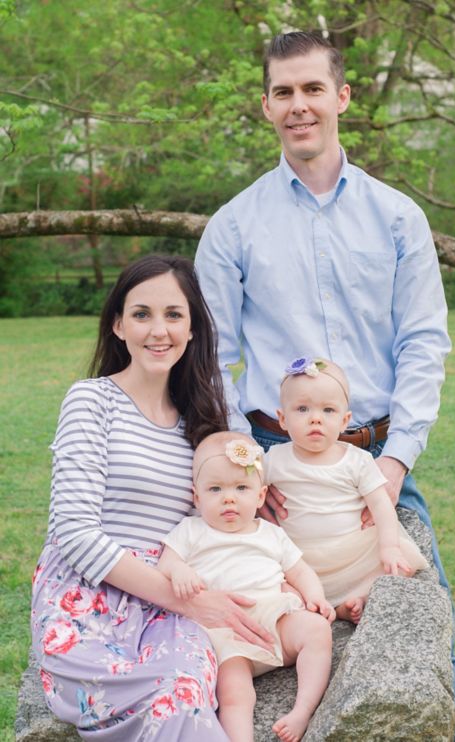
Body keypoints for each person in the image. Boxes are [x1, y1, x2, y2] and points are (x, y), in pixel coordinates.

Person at [194, 30, 455, 742]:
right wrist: (248, 467)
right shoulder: (233, 227)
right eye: (284, 92)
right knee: (264, 636)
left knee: (423, 633)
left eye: (313, 89)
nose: (299, 105)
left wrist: (393, 463)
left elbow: (422, 342)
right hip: (271, 466)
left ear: (341, 97)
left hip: (377, 460)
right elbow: (214, 355)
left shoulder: (397, 218)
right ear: (266, 106)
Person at [31, 254, 276, 742]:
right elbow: (75, 533)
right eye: (141, 314)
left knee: (184, 689)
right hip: (88, 594)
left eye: (173, 315)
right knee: (161, 695)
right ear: (119, 325)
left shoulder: (200, 425)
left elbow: (216, 517)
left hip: (170, 600)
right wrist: (199, 606)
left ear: (192, 328)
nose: (158, 330)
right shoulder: (91, 400)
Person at [158, 430, 335, 742]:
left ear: (260, 495)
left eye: (241, 487)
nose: (229, 497)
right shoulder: (191, 530)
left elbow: (300, 570)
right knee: (234, 692)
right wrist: (179, 571)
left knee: (317, 631)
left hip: (275, 619)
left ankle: (302, 711)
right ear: (196, 497)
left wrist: (315, 597)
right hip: (226, 636)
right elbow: (167, 563)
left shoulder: (270, 533)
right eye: (215, 489)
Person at [264, 357, 428, 623]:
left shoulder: (356, 460)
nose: (316, 419)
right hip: (300, 558)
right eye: (302, 409)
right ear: (282, 418)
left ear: (344, 420)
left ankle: (355, 600)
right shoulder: (275, 459)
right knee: (278, 584)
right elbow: (249, 490)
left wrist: (389, 546)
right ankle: (321, 605)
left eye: (328, 411)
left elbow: (381, 506)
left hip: (351, 552)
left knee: (399, 562)